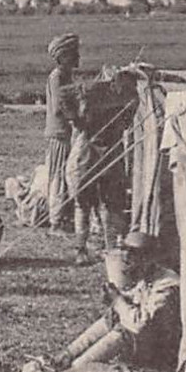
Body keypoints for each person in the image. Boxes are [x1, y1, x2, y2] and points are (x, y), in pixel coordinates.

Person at [26, 231, 181, 372]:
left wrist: (118, 300)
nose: (128, 264)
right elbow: (134, 301)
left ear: (147, 258)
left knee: (124, 331)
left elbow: (141, 324)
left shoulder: (167, 284)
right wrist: (117, 298)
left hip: (164, 350)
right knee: (113, 315)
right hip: (149, 338)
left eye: (132, 259)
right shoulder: (148, 274)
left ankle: (74, 370)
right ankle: (67, 356)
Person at [66, 69, 136, 262]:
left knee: (106, 204)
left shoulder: (109, 101)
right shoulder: (98, 98)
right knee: (88, 204)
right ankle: (85, 249)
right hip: (91, 155)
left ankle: (108, 249)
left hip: (103, 155)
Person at [44, 33, 81, 234]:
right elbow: (60, 107)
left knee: (65, 174)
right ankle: (56, 221)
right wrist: (77, 116)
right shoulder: (57, 77)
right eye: (73, 53)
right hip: (59, 132)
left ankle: (63, 217)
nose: (78, 57)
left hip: (64, 131)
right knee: (59, 175)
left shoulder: (66, 76)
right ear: (63, 57)